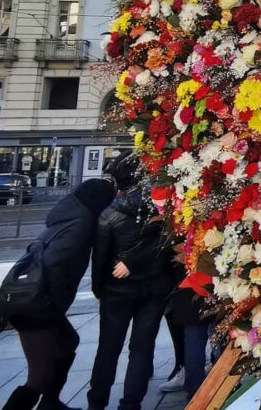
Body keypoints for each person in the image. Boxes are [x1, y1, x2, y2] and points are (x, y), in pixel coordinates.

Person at [2, 178, 116, 410]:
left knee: (68, 342)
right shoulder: (81, 226)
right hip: (36, 306)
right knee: (38, 377)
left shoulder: (69, 214)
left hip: (34, 300)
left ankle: (51, 403)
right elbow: (54, 264)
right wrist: (53, 303)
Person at [86, 156, 169, 410]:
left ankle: (97, 401)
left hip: (116, 290)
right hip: (153, 287)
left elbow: (99, 261)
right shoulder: (157, 210)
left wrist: (100, 289)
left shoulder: (107, 215)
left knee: (108, 348)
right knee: (142, 348)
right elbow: (164, 244)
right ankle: (131, 402)